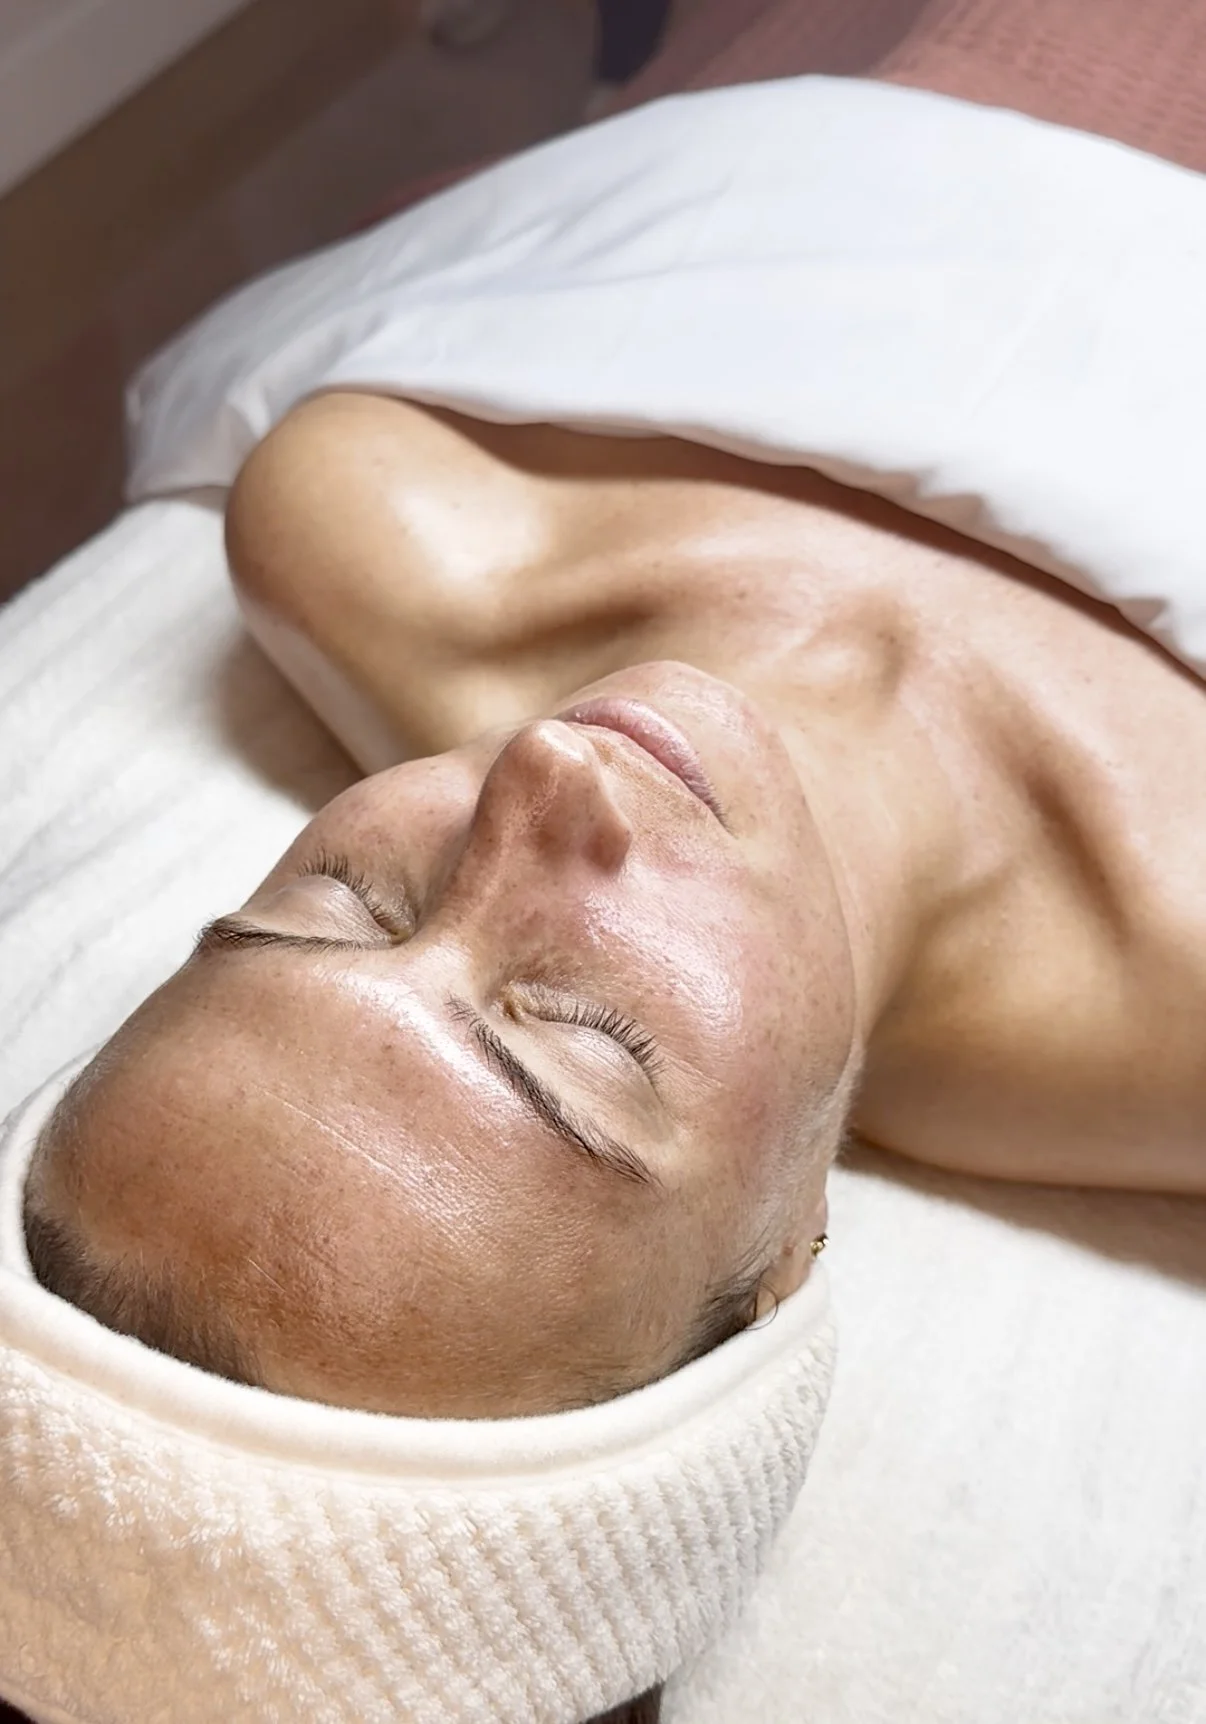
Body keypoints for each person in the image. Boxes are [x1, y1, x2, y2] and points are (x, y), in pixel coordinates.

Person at [21, 389, 1206, 1426]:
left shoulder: (372, 521)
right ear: (785, 1251)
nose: (545, 769)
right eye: (593, 1035)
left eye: (348, 899)